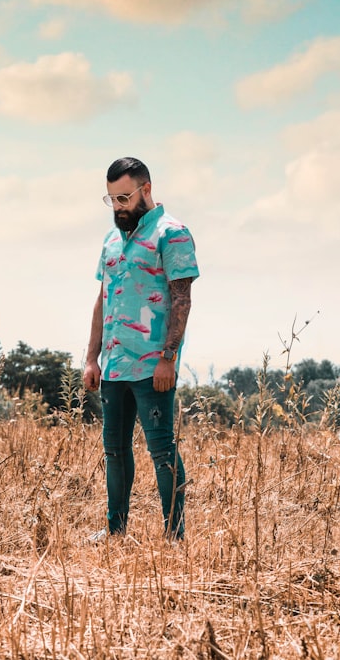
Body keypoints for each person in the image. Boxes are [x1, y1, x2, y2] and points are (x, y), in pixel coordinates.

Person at [83, 157, 199, 541]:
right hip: (114, 366)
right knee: (113, 450)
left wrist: (169, 358)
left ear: (145, 190)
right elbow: (101, 299)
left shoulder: (172, 234)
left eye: (124, 197)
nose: (118, 206)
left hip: (153, 366)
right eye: (111, 198)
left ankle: (174, 534)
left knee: (162, 449)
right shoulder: (111, 240)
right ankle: (115, 530)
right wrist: (90, 358)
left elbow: (181, 298)